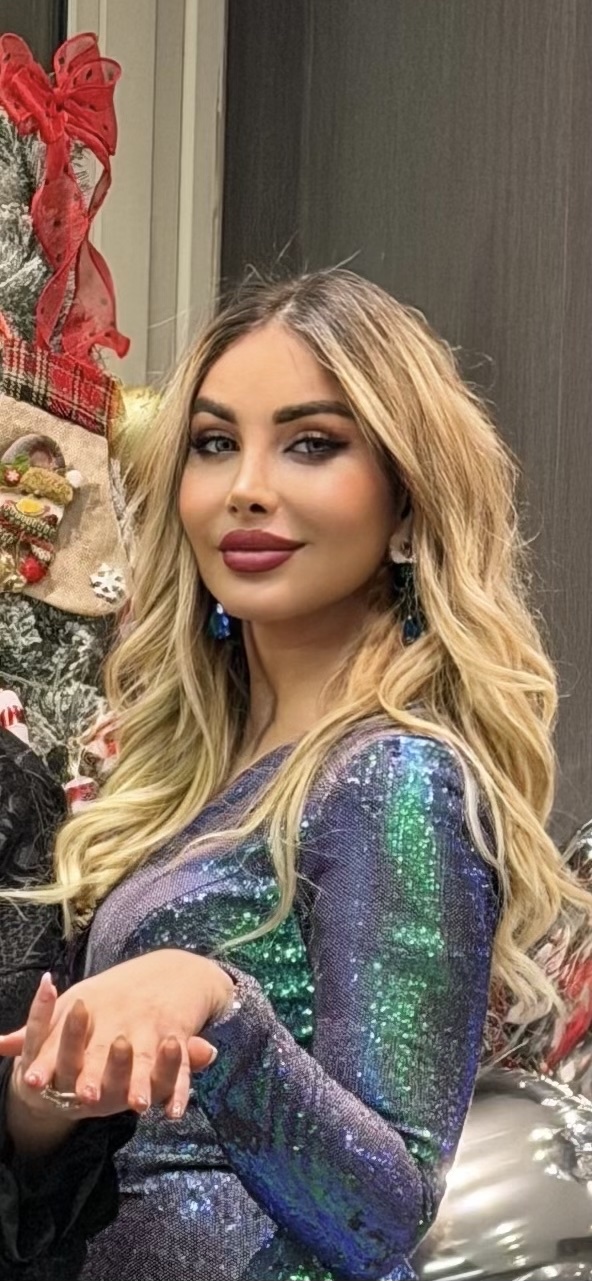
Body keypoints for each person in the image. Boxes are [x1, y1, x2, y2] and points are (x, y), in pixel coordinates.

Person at [0, 270, 589, 1281]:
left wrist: (218, 1003)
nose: (247, 486)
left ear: (406, 506)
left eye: (311, 443)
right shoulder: (191, 778)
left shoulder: (396, 775)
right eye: (214, 443)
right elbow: (117, 1159)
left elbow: (385, 1211)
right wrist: (49, 1094)